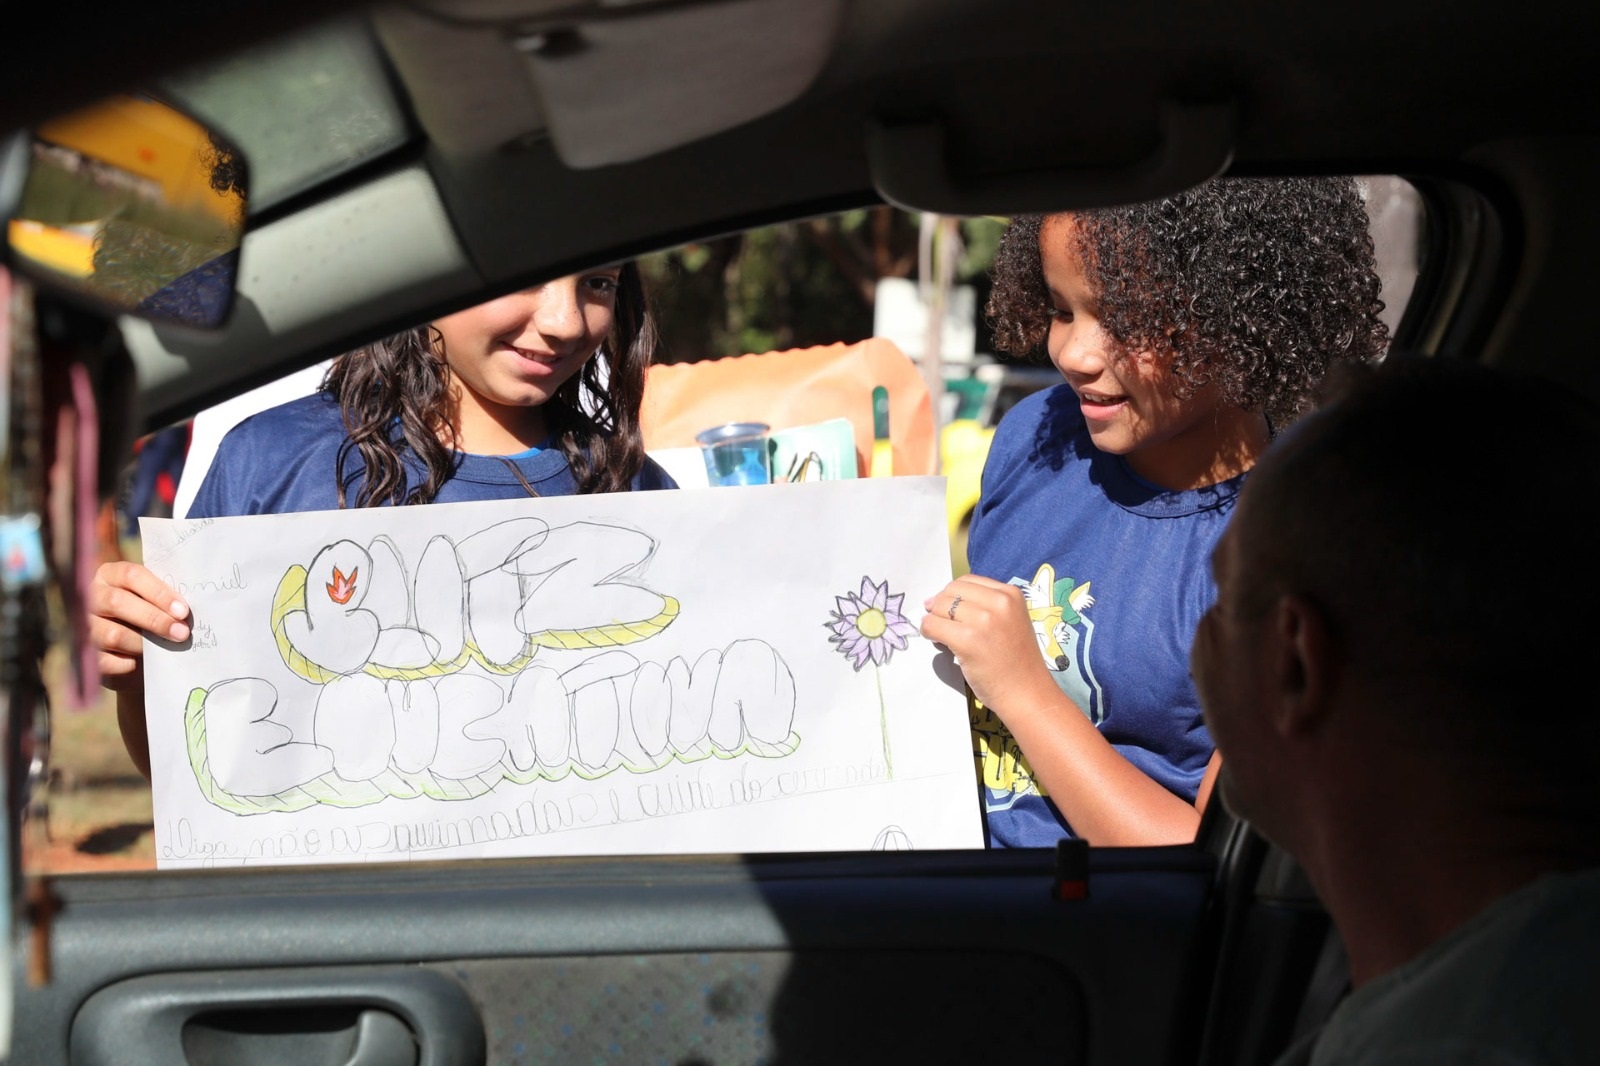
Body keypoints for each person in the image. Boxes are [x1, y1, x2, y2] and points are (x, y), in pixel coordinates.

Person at [921, 178, 1391, 847]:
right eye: (1061, 310)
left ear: (1238, 315)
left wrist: (1024, 692)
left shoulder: (1280, 548)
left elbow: (1211, 860)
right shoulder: (1036, 434)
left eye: (1129, 320)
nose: (1075, 357)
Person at [89, 265, 676, 776]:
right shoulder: (271, 463)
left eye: (598, 283)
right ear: (431, 269)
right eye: (525, 276)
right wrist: (139, 671)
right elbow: (193, 775)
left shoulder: (637, 489)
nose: (566, 321)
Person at [1191, 357, 1600, 1064]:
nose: (1200, 640)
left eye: (1225, 602)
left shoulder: (1459, 1040)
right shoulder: (1529, 982)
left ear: (1297, 662)